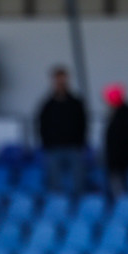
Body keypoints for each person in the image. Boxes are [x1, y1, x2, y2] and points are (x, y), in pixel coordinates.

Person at [36, 66, 88, 194]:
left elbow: (83, 123)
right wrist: (47, 143)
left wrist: (80, 142)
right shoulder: (48, 105)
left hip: (74, 147)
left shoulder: (76, 103)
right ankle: (57, 203)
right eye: (58, 80)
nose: (60, 84)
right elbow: (41, 124)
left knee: (78, 181)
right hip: (54, 148)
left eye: (63, 80)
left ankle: (78, 202)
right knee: (55, 182)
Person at [102, 82, 128, 195]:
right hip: (122, 162)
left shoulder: (122, 117)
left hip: (121, 163)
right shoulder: (123, 115)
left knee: (122, 193)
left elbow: (120, 141)